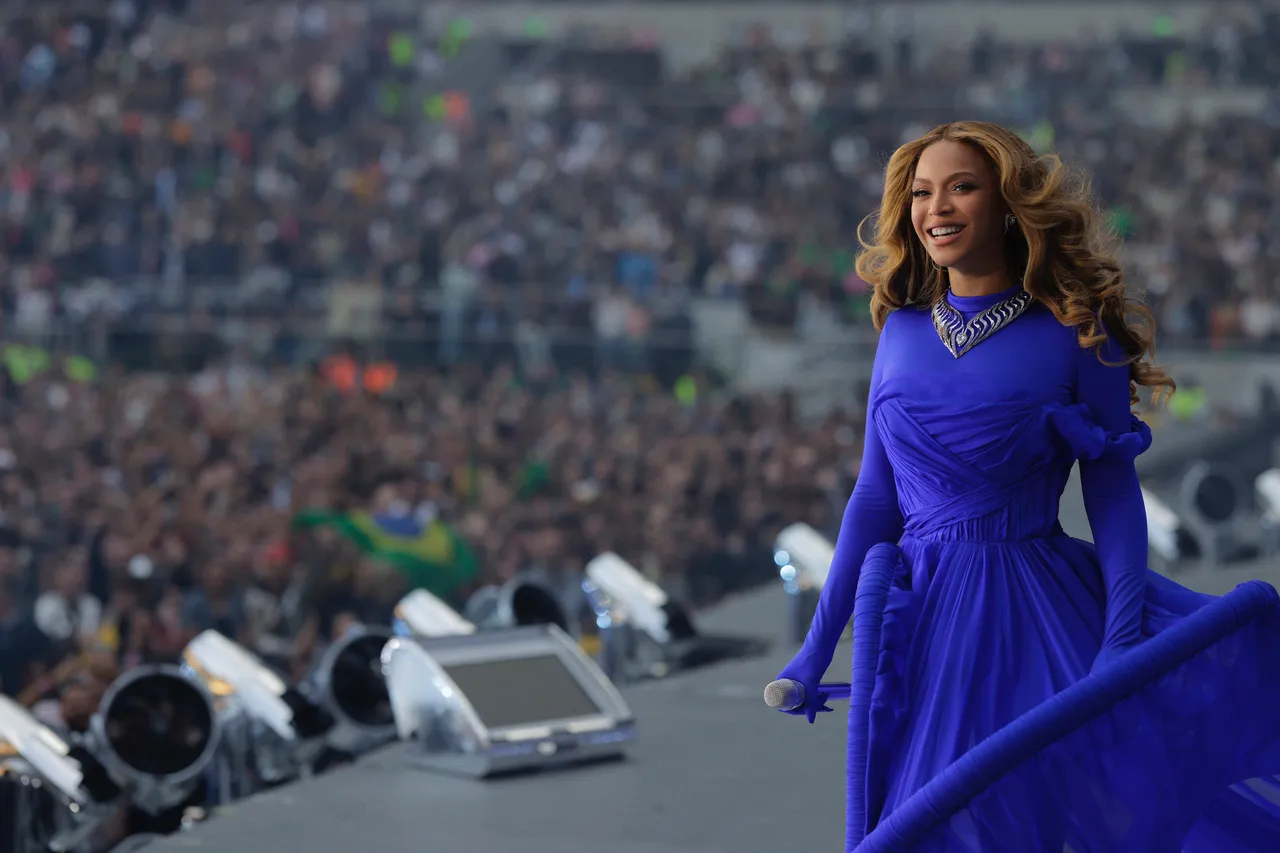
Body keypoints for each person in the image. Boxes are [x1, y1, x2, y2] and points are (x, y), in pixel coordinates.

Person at [775, 121, 1280, 852]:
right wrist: (816, 647)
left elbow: (1112, 492)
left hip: (1032, 616)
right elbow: (875, 499)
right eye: (921, 193)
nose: (937, 208)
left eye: (961, 187)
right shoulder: (900, 331)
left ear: (1009, 205)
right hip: (921, 631)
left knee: (1041, 820)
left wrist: (1120, 638)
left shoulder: (1078, 331)